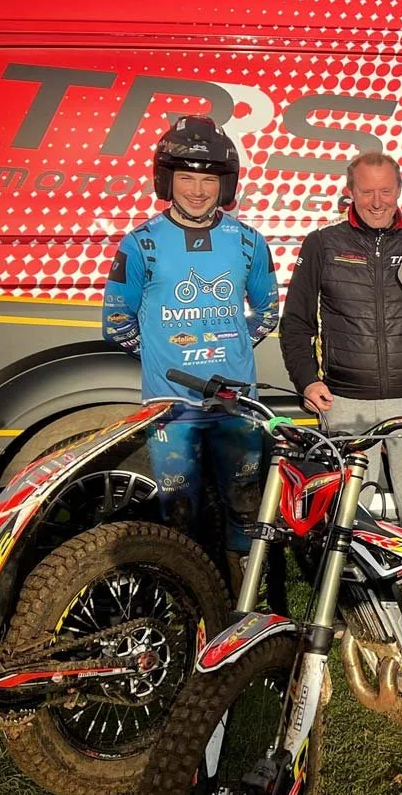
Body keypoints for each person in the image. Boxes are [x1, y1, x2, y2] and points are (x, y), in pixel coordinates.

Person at [102, 114, 280, 599]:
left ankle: (247, 606)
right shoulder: (139, 245)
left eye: (208, 179)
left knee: (245, 505)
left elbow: (268, 311)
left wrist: (229, 344)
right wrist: (162, 357)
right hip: (171, 408)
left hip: (236, 406)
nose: (198, 190)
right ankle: (186, 601)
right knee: (178, 512)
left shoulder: (247, 242)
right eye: (186, 178)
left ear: (224, 183)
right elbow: (117, 323)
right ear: (166, 180)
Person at [280, 151, 402, 546]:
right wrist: (306, 381)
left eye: (385, 191)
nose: (376, 201)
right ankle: (355, 601)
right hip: (346, 403)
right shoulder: (322, 243)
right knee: (351, 516)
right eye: (366, 191)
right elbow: (296, 323)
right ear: (350, 192)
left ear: (399, 190)